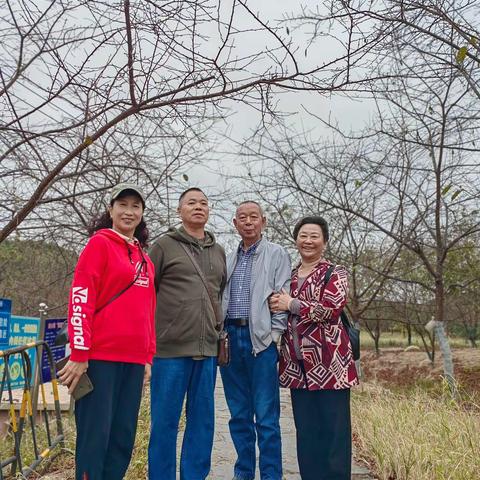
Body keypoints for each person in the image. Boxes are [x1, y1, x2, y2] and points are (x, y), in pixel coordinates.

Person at [58, 183, 156, 480]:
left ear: (142, 213)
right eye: (122, 205)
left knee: (122, 438)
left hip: (134, 361)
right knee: (95, 437)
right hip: (99, 358)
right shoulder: (99, 245)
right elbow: (80, 299)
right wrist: (79, 352)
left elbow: (149, 309)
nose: (129, 211)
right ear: (111, 210)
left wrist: (149, 355)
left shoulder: (144, 258)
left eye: (135, 206)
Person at [269, 216, 358, 480]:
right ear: (296, 240)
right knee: (306, 432)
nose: (308, 241)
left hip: (331, 367)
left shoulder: (335, 272)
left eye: (314, 236)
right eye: (303, 236)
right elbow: (277, 306)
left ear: (324, 241)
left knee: (334, 432)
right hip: (298, 369)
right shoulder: (290, 275)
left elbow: (330, 309)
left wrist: (291, 304)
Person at [148, 187, 226, 480]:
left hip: (207, 351)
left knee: (203, 423)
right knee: (165, 423)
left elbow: (220, 294)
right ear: (179, 210)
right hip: (169, 351)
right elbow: (147, 294)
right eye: (191, 203)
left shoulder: (219, 251)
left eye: (203, 203)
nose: (198, 207)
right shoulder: (163, 246)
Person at [221, 201, 291, 480]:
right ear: (234, 223)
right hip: (230, 338)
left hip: (260, 340)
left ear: (264, 221)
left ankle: (271, 475)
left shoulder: (276, 253)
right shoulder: (228, 258)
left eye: (253, 217)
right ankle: (244, 473)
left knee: (266, 417)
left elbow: (282, 295)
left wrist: (275, 335)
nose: (248, 222)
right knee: (239, 415)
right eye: (242, 218)